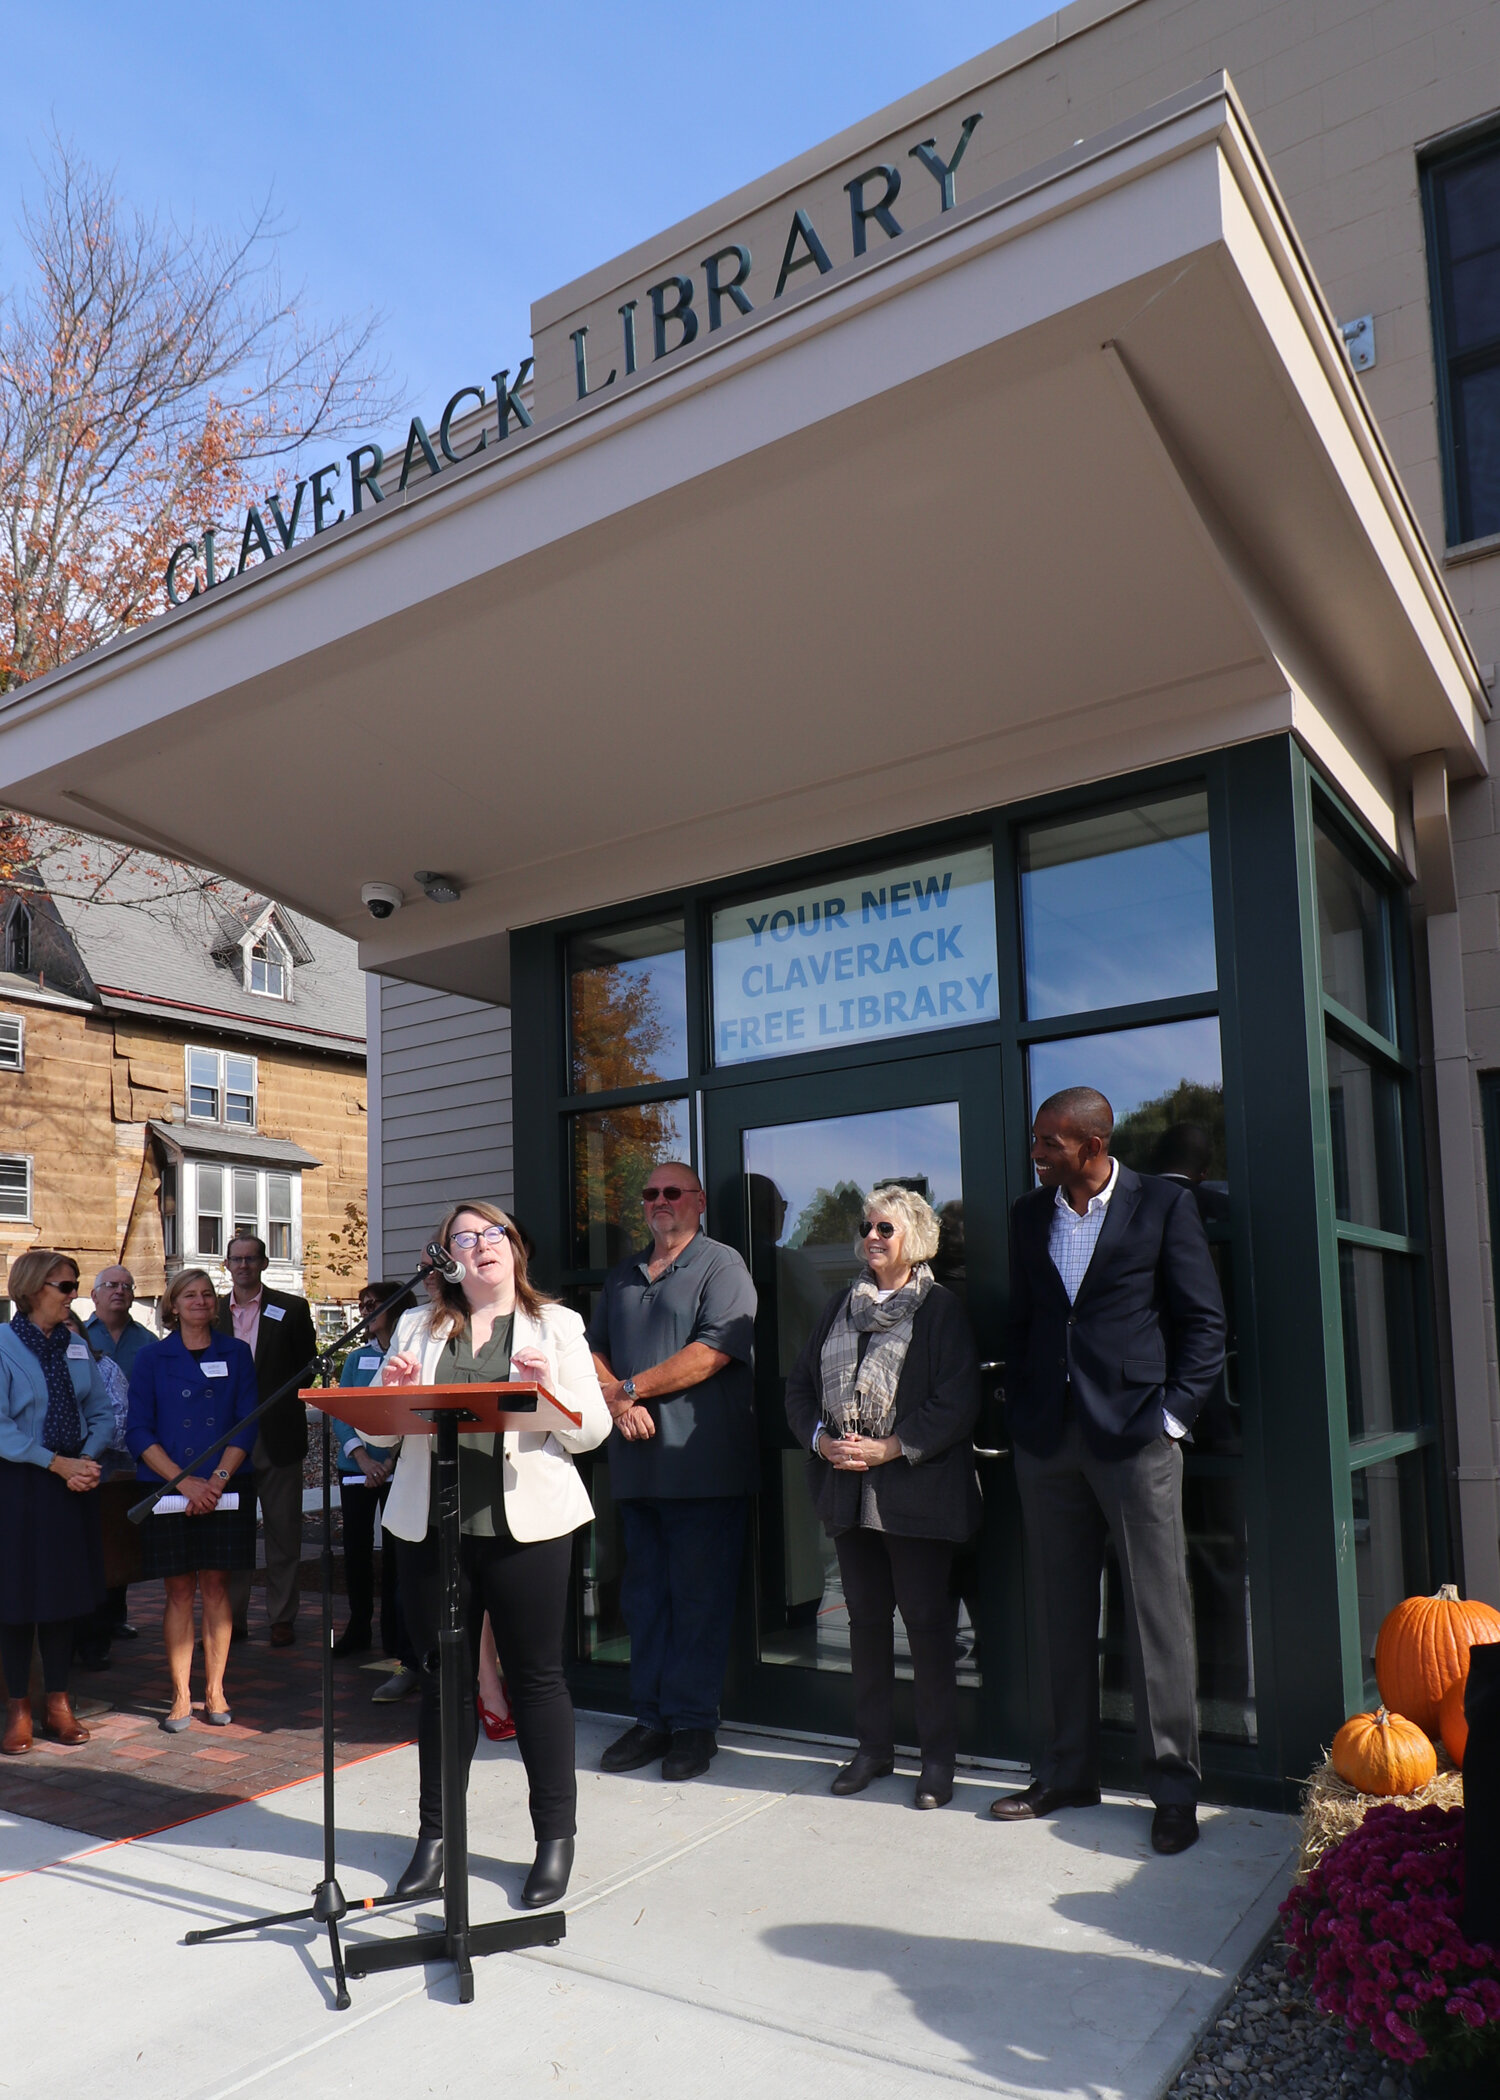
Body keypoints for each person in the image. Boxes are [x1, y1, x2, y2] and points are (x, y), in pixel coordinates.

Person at [992, 1087, 1226, 1855]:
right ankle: (1066, 1771)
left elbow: (1203, 1321)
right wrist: (1024, 1407)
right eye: (1037, 1141)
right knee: (1060, 1608)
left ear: (1093, 1144)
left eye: (1050, 1143)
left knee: (1158, 1614)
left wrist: (1174, 1419)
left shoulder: (1161, 1205)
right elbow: (1028, 1319)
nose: (1037, 1153)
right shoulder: (1031, 1214)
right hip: (1047, 1438)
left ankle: (1172, 1788)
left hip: (1135, 1437)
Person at [369, 1200, 609, 1908]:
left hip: (526, 1529)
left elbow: (591, 1432)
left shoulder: (557, 1324)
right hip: (431, 1529)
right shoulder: (416, 1323)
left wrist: (551, 1389)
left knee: (536, 1681)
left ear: (515, 1246)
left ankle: (553, 1840)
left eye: (494, 1232)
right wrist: (391, 1392)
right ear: (446, 1257)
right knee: (444, 1686)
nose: (481, 1245)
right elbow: (382, 1439)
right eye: (463, 1238)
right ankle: (436, 1841)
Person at [784, 1186, 981, 1808]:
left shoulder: (942, 1309)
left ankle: (937, 1762)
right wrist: (820, 1439)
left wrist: (891, 1447)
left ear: (915, 1238)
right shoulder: (840, 1305)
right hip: (848, 1495)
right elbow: (799, 1387)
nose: (872, 1237)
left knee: (927, 1631)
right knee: (866, 1628)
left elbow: (957, 1401)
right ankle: (872, 1750)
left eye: (886, 1229)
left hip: (917, 1496)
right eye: (867, 1227)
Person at [587, 1162, 758, 1783]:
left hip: (702, 1467)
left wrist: (630, 1390)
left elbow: (713, 1350)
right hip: (636, 1468)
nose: (659, 1201)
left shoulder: (722, 1265)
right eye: (650, 1193)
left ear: (699, 1202)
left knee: (698, 1600)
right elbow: (593, 1347)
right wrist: (618, 1398)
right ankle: (651, 1718)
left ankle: (692, 1725)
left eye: (671, 1192)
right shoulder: (624, 1274)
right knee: (645, 1600)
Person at [127, 1268, 258, 1730]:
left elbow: (247, 1422)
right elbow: (138, 1430)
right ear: (173, 1304)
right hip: (168, 1486)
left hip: (225, 1484)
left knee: (217, 1586)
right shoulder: (151, 1358)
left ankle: (215, 1690)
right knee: (179, 1590)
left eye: (206, 1294)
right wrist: (185, 1482)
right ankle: (181, 1695)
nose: (200, 1301)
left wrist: (217, 1480)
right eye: (189, 1295)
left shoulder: (237, 1353)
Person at [0, 1250, 113, 1754]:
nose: (74, 1295)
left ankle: (60, 1705)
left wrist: (86, 1461)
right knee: (18, 1601)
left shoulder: (74, 1345)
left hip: (74, 1484)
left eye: (75, 1285)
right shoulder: (1, 1344)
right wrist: (56, 1463)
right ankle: (19, 1710)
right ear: (31, 1289)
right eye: (64, 1286)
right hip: (22, 1485)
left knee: (64, 1600)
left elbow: (102, 1411)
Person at [217, 1236, 318, 1647]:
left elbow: (307, 1368)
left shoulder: (291, 1309)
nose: (243, 1265)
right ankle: (234, 1619)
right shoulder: (212, 1311)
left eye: (250, 1259)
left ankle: (282, 1617)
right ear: (226, 1264)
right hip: (226, 1440)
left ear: (264, 1262)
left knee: (283, 1531)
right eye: (236, 1259)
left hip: (277, 1435)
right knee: (233, 1534)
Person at [329, 1280, 420, 1699]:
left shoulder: (410, 1358)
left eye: (373, 1305)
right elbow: (343, 1411)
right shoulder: (357, 1358)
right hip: (358, 1469)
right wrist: (363, 1459)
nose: (365, 1310)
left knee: (398, 1554)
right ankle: (357, 1624)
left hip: (396, 1470)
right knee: (357, 1549)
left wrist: (387, 1461)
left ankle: (395, 1633)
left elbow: (410, 1413)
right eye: (362, 1304)